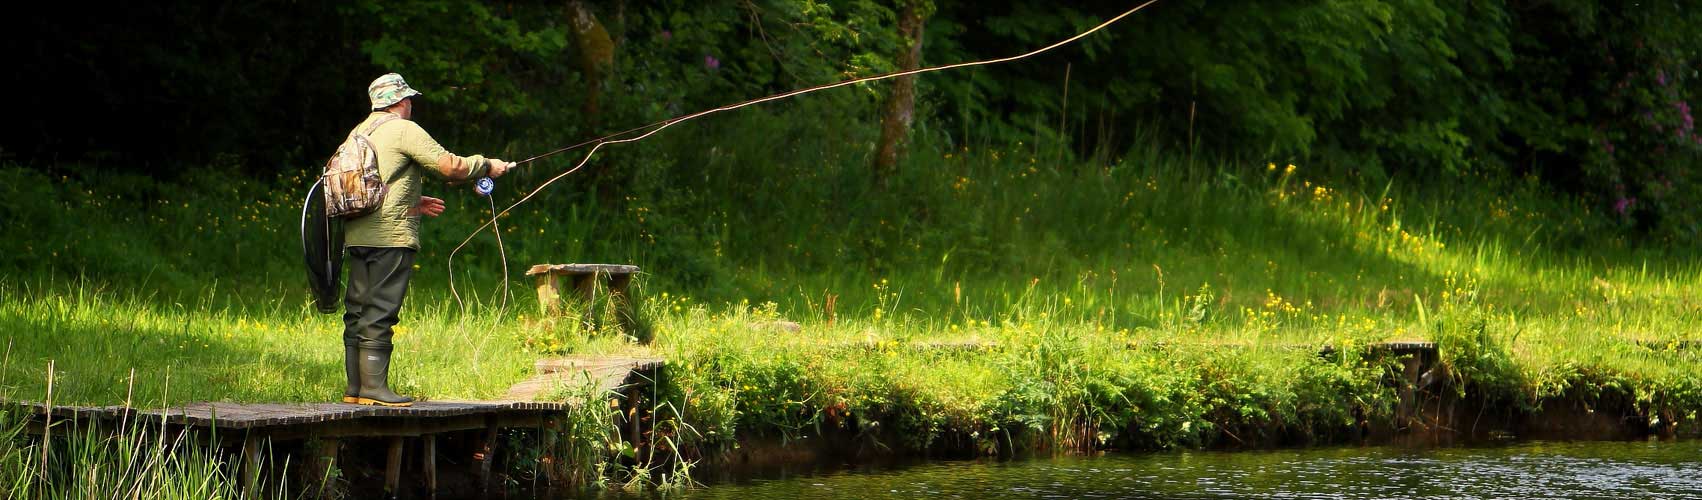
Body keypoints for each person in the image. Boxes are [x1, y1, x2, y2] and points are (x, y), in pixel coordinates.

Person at [340, 73, 511, 407]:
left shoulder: (358, 132)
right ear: (401, 102)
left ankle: (355, 389)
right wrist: (487, 165)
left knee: (357, 310)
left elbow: (371, 182)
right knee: (380, 309)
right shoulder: (403, 129)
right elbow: (450, 167)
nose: (411, 105)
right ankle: (375, 390)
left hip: (356, 233)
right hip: (390, 236)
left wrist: (413, 201)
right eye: (409, 100)